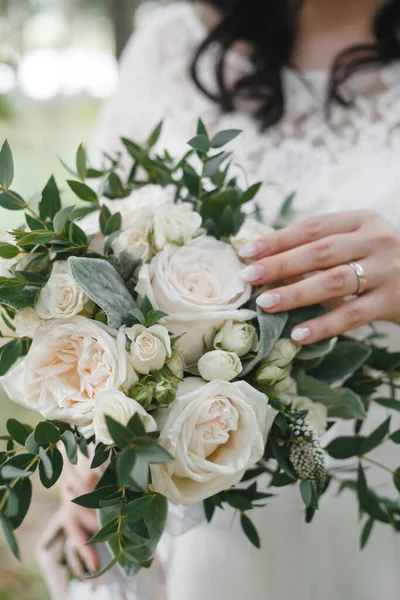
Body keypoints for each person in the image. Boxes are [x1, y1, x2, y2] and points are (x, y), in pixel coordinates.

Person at [54, 1, 400, 598]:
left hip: (375, 497)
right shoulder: (169, 44)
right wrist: (95, 440)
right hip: (191, 516)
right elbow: (99, 268)